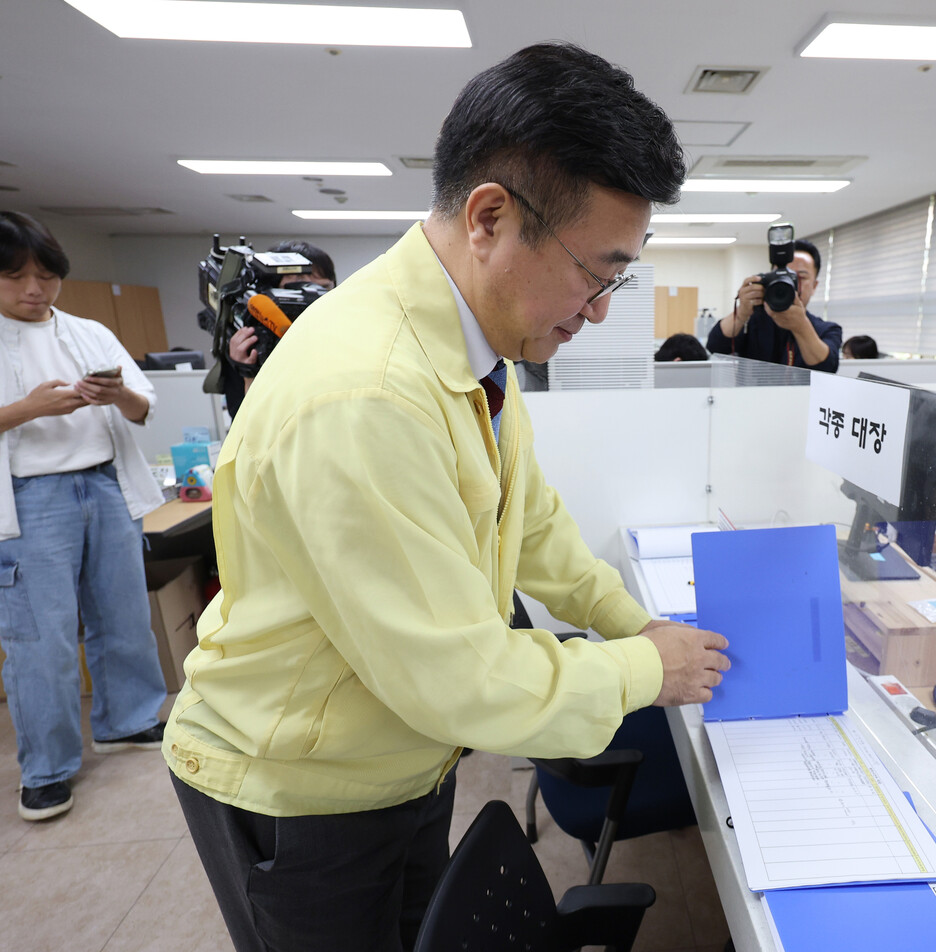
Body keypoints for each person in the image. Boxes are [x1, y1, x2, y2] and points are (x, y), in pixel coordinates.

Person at [164, 42, 730, 952]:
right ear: (490, 218)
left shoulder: (475, 348)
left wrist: (634, 623)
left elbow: (529, 521)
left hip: (399, 748)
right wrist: (644, 670)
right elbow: (458, 677)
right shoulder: (367, 393)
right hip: (300, 786)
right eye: (595, 273)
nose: (599, 309)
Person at [0, 211, 168, 822]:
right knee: (41, 640)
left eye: (46, 276)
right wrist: (27, 409)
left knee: (123, 618)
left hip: (105, 485)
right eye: (15, 277)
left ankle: (128, 720)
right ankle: (46, 769)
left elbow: (144, 406)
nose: (34, 290)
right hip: (30, 499)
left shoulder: (87, 330)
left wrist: (116, 394)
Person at [222, 239, 336, 418]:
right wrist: (248, 373)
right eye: (294, 289)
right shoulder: (248, 345)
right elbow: (246, 423)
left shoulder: (341, 332)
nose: (313, 296)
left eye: (323, 288)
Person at [706, 237, 841, 371]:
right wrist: (741, 313)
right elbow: (715, 346)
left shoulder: (827, 329)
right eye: (783, 276)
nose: (790, 283)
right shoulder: (752, 322)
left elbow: (827, 367)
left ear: (814, 286)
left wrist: (801, 327)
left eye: (799, 277)